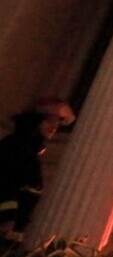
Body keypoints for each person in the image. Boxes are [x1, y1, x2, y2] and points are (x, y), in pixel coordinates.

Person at [0, 99, 75, 243]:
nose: (54, 126)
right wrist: (7, 219)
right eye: (48, 121)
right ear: (34, 121)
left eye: (58, 122)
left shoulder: (28, 151)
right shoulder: (18, 147)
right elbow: (8, 183)